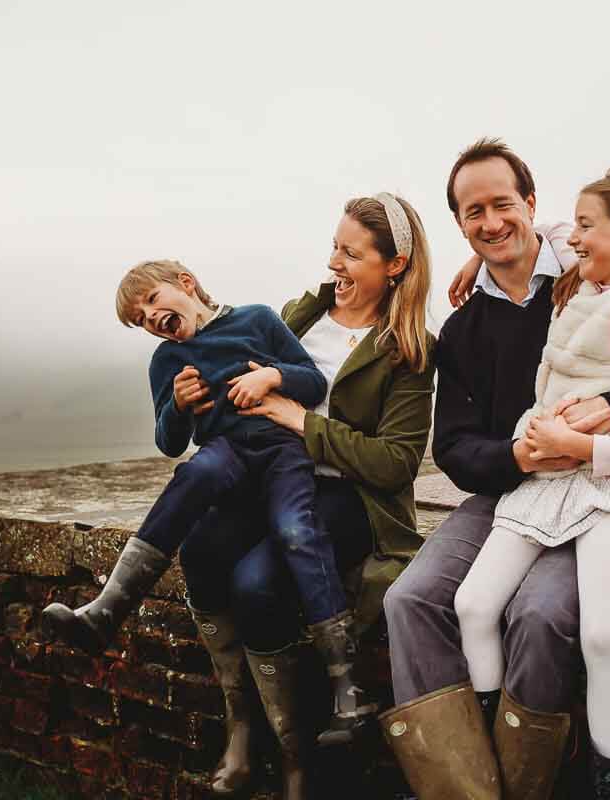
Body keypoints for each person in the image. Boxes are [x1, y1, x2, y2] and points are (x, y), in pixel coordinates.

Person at [379, 139, 610, 800]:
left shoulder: (591, 272)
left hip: (600, 492)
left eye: (502, 204)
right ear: (458, 223)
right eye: (472, 212)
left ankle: (527, 780)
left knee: (540, 613)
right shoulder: (462, 329)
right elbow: (455, 449)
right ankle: (461, 787)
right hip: (511, 490)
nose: (489, 223)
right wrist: (516, 455)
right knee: (409, 598)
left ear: (532, 203)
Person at [40, 258, 379, 757]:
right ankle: (107, 610)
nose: (151, 318)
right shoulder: (166, 362)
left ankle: (347, 687)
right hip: (227, 455)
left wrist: (271, 378)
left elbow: (312, 382)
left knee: (297, 532)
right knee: (196, 471)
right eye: (140, 320)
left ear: (186, 284)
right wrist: (177, 406)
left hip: (283, 451)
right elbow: (169, 442)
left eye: (153, 301)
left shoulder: (258, 320)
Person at [173, 194, 436, 800]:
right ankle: (241, 726)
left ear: (394, 266)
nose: (334, 263)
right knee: (203, 548)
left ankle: (297, 760)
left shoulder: (409, 349)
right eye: (334, 247)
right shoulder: (299, 315)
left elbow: (394, 462)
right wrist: (194, 396)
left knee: (260, 584)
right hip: (269, 478)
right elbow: (240, 391)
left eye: (351, 253)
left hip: (350, 498)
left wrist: (300, 420)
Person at [456, 162, 610, 798]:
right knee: (473, 604)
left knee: (600, 630)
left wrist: (578, 444)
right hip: (551, 475)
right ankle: (495, 759)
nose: (576, 240)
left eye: (589, 228)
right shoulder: (580, 292)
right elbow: (553, 230)